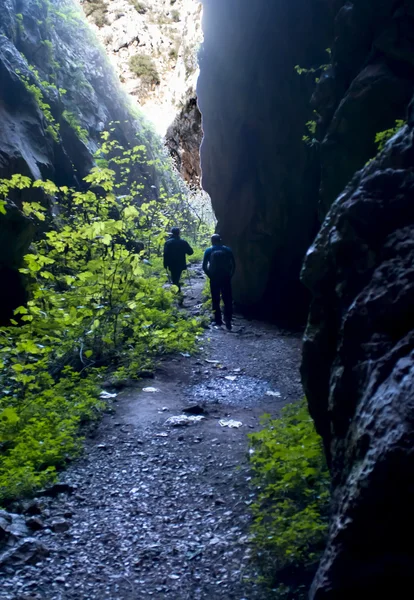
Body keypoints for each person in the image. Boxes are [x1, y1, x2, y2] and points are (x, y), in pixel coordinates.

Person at [203, 234, 236, 330]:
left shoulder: (209, 250)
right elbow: (233, 264)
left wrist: (210, 276)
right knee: (227, 298)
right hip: (225, 277)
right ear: (220, 240)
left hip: (214, 278)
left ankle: (217, 320)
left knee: (215, 298)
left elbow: (204, 266)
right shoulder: (227, 250)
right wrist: (230, 275)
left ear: (212, 241)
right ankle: (228, 319)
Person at [163, 227, 194, 292]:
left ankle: (177, 291)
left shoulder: (168, 242)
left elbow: (165, 254)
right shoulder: (183, 242)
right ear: (179, 233)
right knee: (176, 277)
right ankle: (177, 291)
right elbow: (190, 252)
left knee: (174, 278)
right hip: (181, 263)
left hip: (171, 263)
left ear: (171, 233)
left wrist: (165, 264)